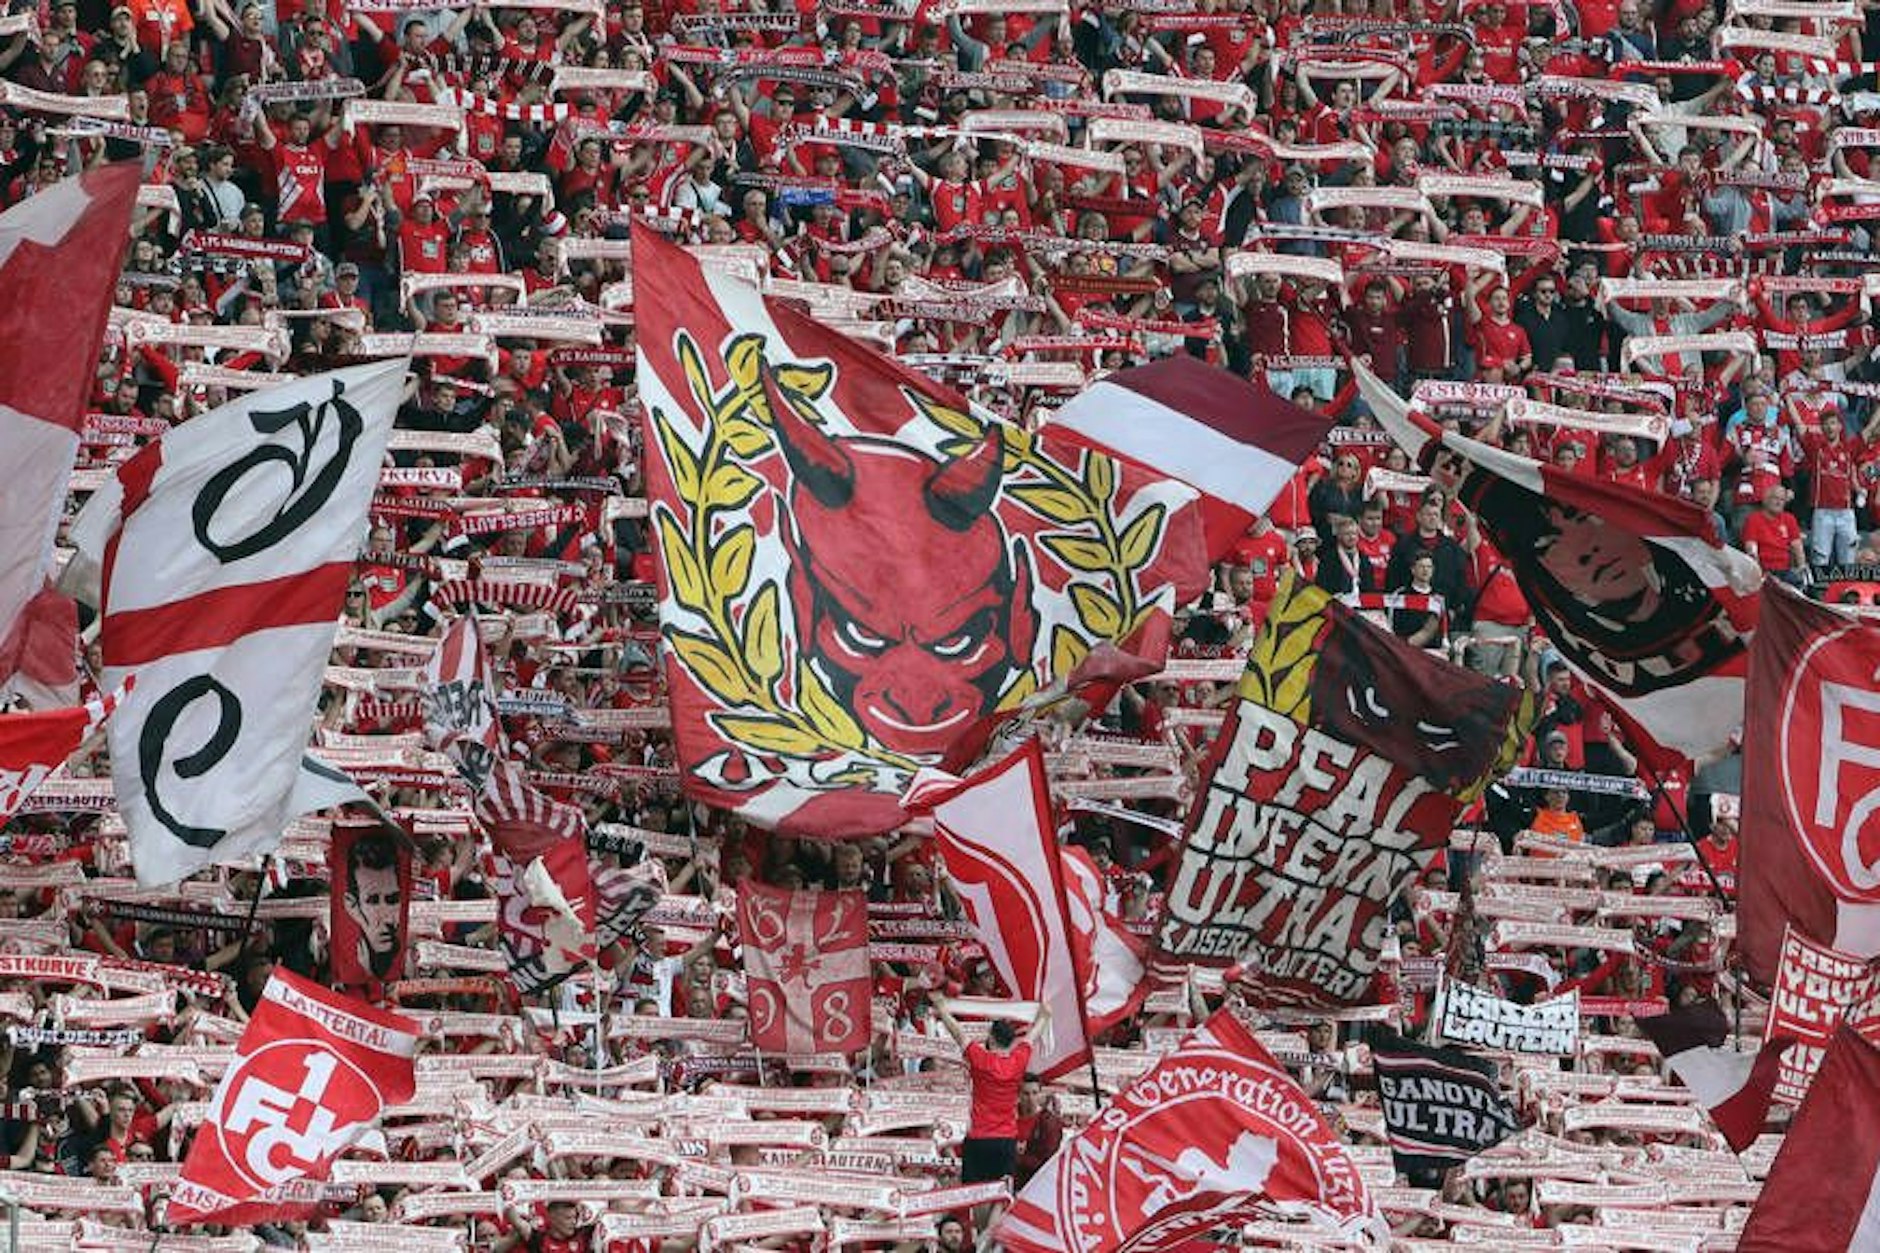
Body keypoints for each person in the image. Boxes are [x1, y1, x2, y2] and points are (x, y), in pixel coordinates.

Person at [932, 995, 1050, 1234]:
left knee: (977, 1193)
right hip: (1006, 1139)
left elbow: (958, 1034)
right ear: (1010, 1041)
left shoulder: (980, 1058)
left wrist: (943, 1010)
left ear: (991, 1039)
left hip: (978, 1138)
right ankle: (987, 1239)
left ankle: (981, 1238)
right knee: (1000, 1193)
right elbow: (1032, 1036)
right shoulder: (1018, 1060)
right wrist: (1044, 1016)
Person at [342, 830, 405, 981]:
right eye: (373, 900)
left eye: (393, 900)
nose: (387, 918)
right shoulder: (338, 963)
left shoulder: (411, 956)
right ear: (353, 906)